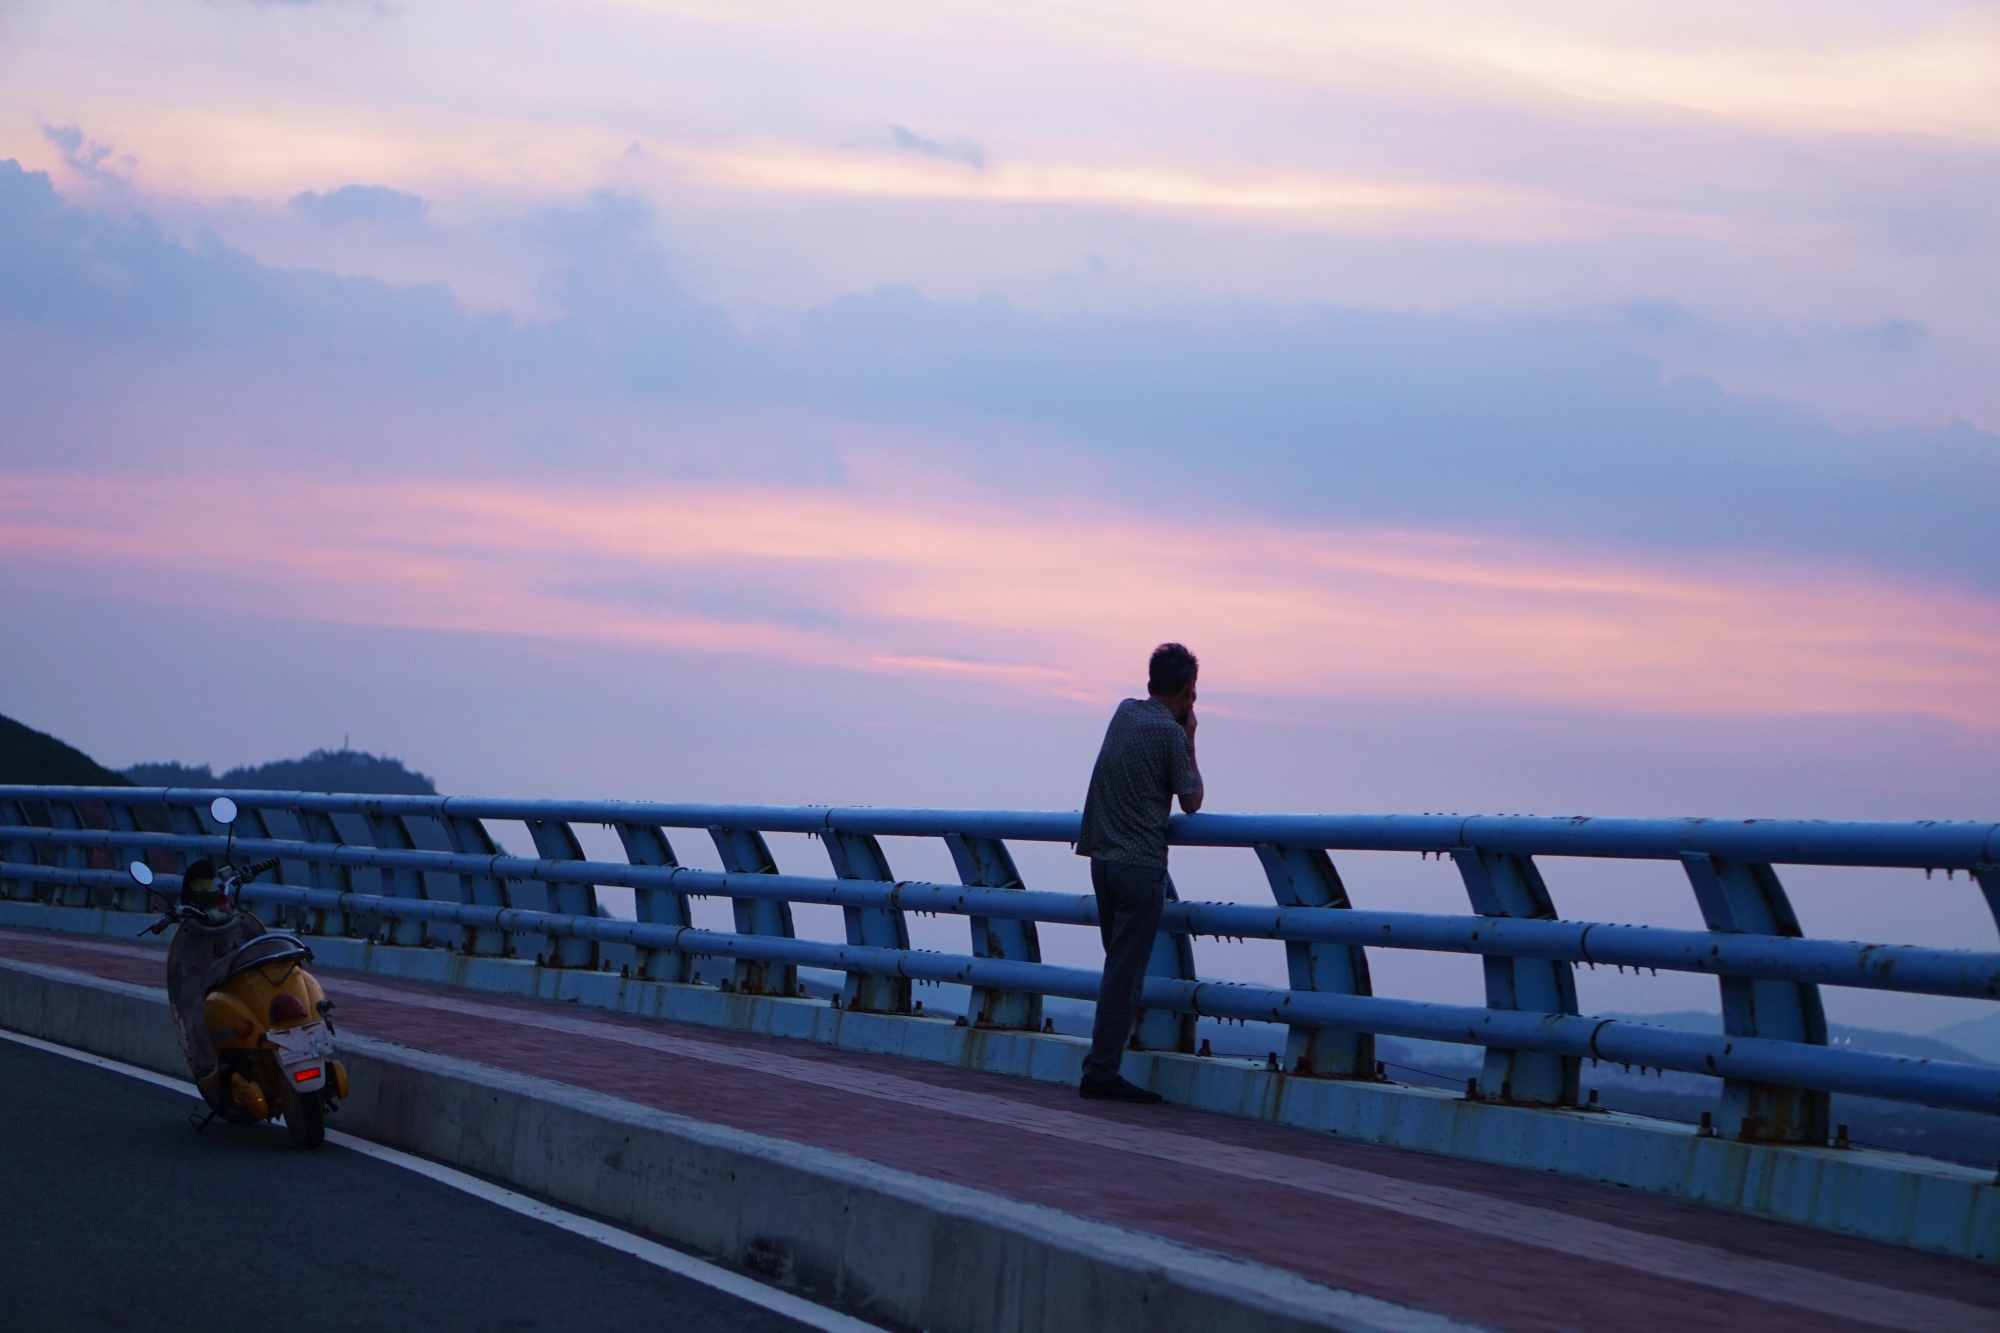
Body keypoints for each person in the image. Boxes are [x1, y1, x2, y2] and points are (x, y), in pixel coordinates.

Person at [1074, 642, 1203, 1102]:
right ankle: (1101, 1073)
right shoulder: (1169, 734)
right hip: (1141, 866)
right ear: (1188, 690)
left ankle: (1101, 1066)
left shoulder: (1125, 712)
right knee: (1123, 977)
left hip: (1103, 861)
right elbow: (1192, 800)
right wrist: (1189, 736)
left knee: (1118, 967)